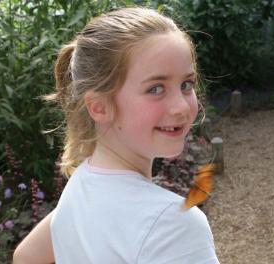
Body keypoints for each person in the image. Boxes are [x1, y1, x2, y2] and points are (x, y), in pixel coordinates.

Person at [13, 7, 219, 263]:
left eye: (186, 84)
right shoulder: (171, 225)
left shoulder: (82, 186)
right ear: (99, 107)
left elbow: (26, 256)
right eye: (156, 88)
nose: (181, 106)